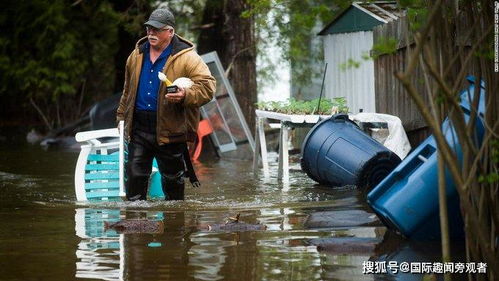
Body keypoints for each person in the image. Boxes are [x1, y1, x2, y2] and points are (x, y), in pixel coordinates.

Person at [116, 7, 216, 201]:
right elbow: (127, 91)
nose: (151, 33)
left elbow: (208, 87)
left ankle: (174, 227)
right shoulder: (135, 55)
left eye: (156, 29)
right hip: (139, 127)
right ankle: (136, 227)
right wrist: (121, 117)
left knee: (173, 183)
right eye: (148, 28)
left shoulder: (187, 57)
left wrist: (185, 94)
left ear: (170, 32)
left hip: (171, 128)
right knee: (135, 178)